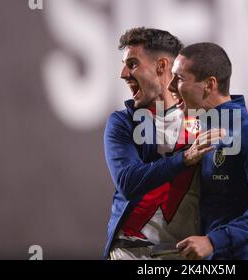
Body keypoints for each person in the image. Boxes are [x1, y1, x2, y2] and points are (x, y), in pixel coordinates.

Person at [103, 27, 222, 260]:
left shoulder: (208, 119)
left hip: (187, 254)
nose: (123, 73)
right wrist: (185, 158)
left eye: (133, 63)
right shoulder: (123, 123)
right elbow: (128, 182)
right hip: (130, 252)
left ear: (161, 66)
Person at [168, 42, 248, 260]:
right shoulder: (201, 128)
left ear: (209, 85)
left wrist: (214, 241)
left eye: (180, 78)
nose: (170, 86)